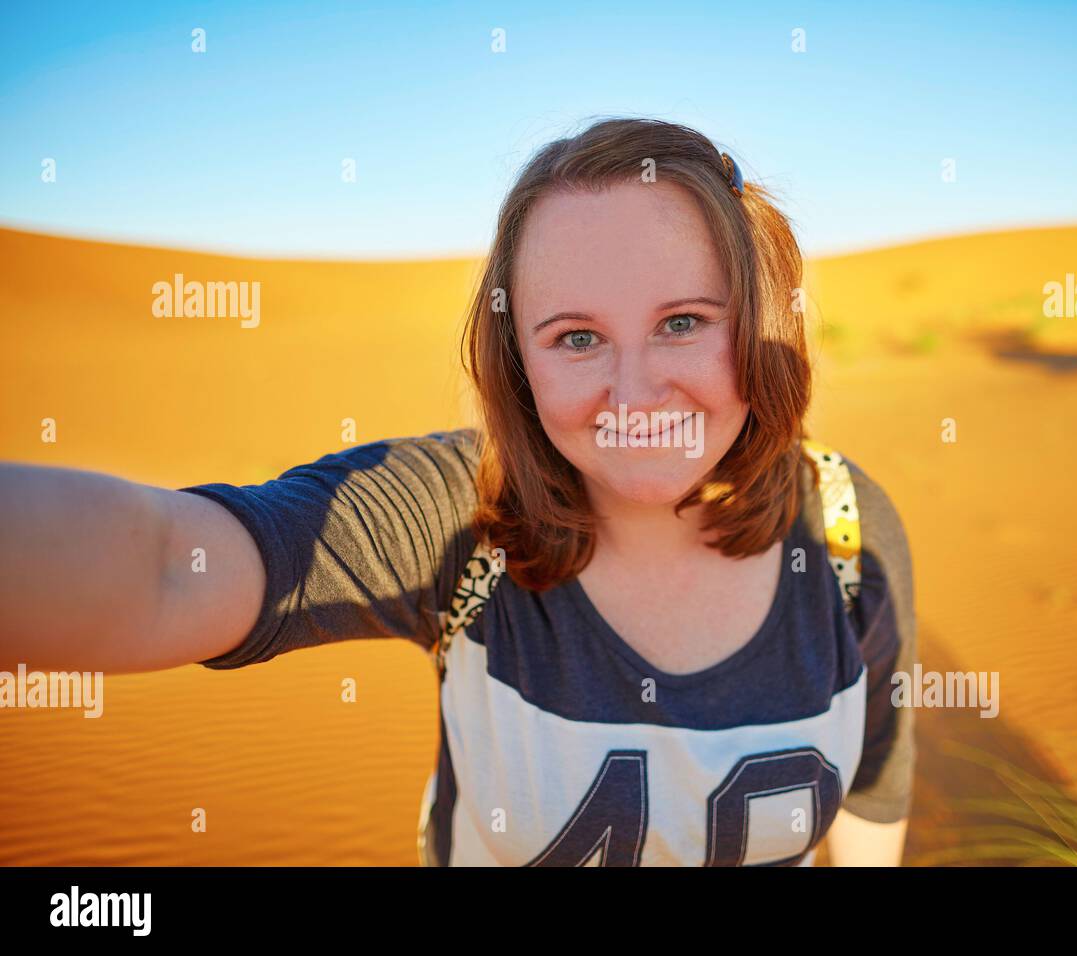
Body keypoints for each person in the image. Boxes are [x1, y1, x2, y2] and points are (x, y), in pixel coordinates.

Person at [0, 116, 917, 866]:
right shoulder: (460, 517)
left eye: (683, 322)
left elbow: (877, 774)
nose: (634, 395)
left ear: (758, 325)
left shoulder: (844, 528)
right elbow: (168, 565)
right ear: (517, 362)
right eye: (577, 338)